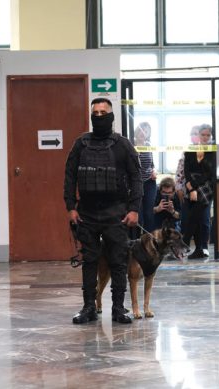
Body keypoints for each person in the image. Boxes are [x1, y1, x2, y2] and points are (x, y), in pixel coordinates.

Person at [63, 98, 143, 324]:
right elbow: (69, 176)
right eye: (95, 113)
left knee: (118, 261)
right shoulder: (80, 144)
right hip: (86, 212)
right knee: (90, 261)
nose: (98, 117)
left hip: (116, 211)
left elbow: (136, 178)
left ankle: (118, 308)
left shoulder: (123, 145)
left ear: (111, 116)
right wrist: (70, 206)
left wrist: (134, 209)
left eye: (103, 113)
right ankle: (89, 307)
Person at [182, 124, 215, 260]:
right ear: (199, 135)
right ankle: (197, 249)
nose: (205, 137)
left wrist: (194, 186)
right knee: (192, 217)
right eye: (203, 135)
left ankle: (187, 245)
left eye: (208, 135)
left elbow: (209, 173)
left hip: (206, 186)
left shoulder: (213, 150)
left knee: (198, 218)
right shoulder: (190, 149)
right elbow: (187, 169)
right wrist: (190, 188)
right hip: (191, 185)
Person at [134, 122, 156, 233]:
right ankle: (137, 242)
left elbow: (152, 164)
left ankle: (149, 241)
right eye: (141, 130)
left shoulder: (149, 146)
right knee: (139, 214)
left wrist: (154, 171)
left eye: (146, 131)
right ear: (136, 132)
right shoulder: (131, 146)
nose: (143, 133)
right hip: (136, 184)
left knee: (148, 214)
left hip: (149, 183)